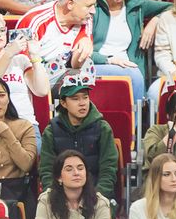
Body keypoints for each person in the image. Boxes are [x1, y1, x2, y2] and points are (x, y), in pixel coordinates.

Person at [89, 0, 169, 104]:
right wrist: (108, 60)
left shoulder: (136, 4)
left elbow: (172, 8)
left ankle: (134, 123)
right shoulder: (90, 0)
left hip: (127, 65)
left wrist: (154, 21)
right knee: (134, 75)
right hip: (95, 63)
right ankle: (135, 123)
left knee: (133, 74)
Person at [39, 71, 118, 201]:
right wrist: (56, 198)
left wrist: (98, 197)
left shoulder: (102, 128)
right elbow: (47, 170)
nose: (82, 103)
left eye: (85, 97)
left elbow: (108, 169)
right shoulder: (51, 131)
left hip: (96, 196)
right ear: (63, 103)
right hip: (61, 197)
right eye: (75, 99)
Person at [0, 9, 49, 136]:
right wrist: (9, 54)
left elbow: (42, 91)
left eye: (2, 30)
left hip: (25, 127)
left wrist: (35, 57)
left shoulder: (21, 60)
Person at [14, 0, 97, 87]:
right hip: (33, 77)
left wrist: (83, 53)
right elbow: (19, 64)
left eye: (94, 5)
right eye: (89, 6)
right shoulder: (33, 20)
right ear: (70, 4)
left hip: (65, 75)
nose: (93, 11)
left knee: (87, 65)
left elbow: (75, 64)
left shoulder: (86, 19)